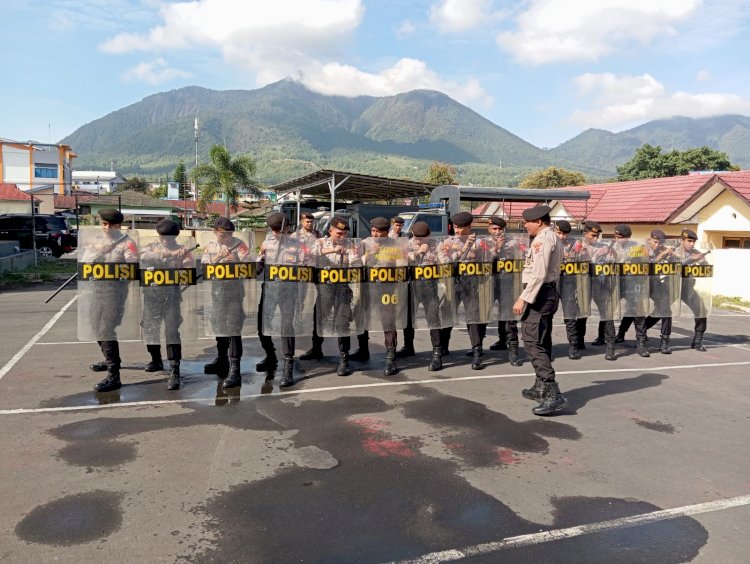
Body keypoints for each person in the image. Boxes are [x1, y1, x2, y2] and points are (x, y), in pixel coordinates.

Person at [513, 205, 565, 416]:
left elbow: (539, 273)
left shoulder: (543, 240)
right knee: (542, 339)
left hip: (540, 294)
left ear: (539, 222)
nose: (526, 226)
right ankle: (540, 386)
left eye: (528, 222)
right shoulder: (552, 236)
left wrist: (522, 298)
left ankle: (553, 392)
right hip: (548, 293)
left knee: (533, 342)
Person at [81, 208, 139, 393]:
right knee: (95, 325)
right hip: (97, 289)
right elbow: (85, 263)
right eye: (103, 224)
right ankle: (109, 359)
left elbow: (133, 268)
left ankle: (114, 374)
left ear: (118, 225)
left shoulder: (127, 243)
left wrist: (116, 265)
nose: (106, 228)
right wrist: (97, 252)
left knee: (107, 329)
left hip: (115, 292)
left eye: (110, 224)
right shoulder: (97, 241)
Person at [139, 218, 196, 390]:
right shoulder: (151, 247)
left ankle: (174, 368)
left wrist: (183, 263)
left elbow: (189, 271)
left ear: (175, 237)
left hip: (171, 297)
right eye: (164, 238)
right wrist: (166, 255)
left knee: (172, 332)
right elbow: (141, 256)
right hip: (151, 296)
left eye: (170, 238)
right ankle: (155, 359)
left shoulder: (183, 250)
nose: (166, 241)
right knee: (150, 329)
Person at [259, 212, 315, 387]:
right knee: (261, 325)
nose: (276, 233)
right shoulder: (266, 244)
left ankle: (288, 365)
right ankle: (271, 356)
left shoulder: (299, 246)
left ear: (288, 229)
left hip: (289, 291)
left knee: (286, 326)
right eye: (273, 230)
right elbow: (258, 266)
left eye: (279, 230)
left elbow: (308, 268)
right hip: (269, 290)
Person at [202, 216, 252, 389]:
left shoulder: (240, 245)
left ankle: (235, 369)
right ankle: (221, 359)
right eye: (223, 235)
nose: (227, 237)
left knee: (233, 328)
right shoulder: (210, 246)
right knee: (219, 325)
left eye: (230, 234)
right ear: (216, 233)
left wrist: (235, 258)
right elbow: (205, 268)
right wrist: (218, 257)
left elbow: (249, 266)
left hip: (234, 292)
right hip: (217, 292)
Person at [440, 211, 492, 370]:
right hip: (453, 282)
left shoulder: (480, 243)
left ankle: (477, 351)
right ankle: (442, 346)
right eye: (455, 227)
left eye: (460, 228)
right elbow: (444, 261)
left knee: (473, 317)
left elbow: (488, 261)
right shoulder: (448, 242)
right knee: (447, 313)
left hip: (471, 283)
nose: (457, 231)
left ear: (469, 226)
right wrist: (463, 250)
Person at [312, 216, 362, 376]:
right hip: (325, 288)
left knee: (343, 322)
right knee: (320, 318)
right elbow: (310, 256)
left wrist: (354, 256)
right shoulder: (320, 243)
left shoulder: (350, 245)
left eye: (345, 234)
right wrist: (332, 250)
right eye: (339, 233)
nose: (342, 237)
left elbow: (356, 264)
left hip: (342, 288)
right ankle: (316, 349)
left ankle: (344, 359)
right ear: (330, 231)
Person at [362, 217, 409, 376]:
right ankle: (363, 350)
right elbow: (356, 262)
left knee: (389, 322)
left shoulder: (395, 245)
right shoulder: (366, 243)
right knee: (362, 319)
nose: (374, 234)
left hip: (387, 289)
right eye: (373, 231)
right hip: (368, 288)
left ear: (386, 233)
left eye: (378, 232)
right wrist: (370, 254)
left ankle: (390, 357)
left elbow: (402, 267)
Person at [407, 221, 452, 371]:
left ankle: (437, 353)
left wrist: (447, 253)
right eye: (416, 237)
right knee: (408, 318)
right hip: (412, 286)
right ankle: (408, 346)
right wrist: (419, 251)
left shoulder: (436, 245)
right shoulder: (407, 244)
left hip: (429, 287)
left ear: (429, 235)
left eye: (422, 238)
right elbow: (402, 259)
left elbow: (445, 262)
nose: (418, 241)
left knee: (433, 318)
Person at [488, 216, 524, 366]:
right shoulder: (483, 242)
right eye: (494, 229)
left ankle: (513, 349)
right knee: (483, 314)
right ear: (488, 229)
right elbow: (481, 260)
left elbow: (521, 258)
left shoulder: (513, 242)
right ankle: (477, 347)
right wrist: (495, 248)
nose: (497, 232)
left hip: (508, 282)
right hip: (489, 283)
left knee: (508, 317)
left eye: (500, 229)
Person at [611, 224, 651, 358]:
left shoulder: (637, 248)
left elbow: (646, 263)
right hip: (616, 284)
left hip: (632, 283)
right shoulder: (610, 247)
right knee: (609, 312)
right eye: (617, 237)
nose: (619, 240)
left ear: (628, 238)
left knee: (638, 313)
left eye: (622, 237)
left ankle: (641, 343)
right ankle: (610, 342)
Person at [554, 219, 590, 360]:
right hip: (551, 282)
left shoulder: (576, 244)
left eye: (565, 234)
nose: (562, 237)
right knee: (546, 316)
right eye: (559, 233)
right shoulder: (547, 241)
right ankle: (545, 347)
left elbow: (585, 262)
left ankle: (574, 346)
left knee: (570, 316)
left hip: (569, 283)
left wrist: (570, 258)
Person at [644, 229, 681, 354]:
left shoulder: (663, 250)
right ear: (650, 240)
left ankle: (663, 340)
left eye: (659, 243)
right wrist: (662, 255)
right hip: (645, 284)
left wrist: (673, 257)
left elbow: (675, 266)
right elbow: (648, 264)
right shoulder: (643, 249)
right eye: (654, 242)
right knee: (662, 310)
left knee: (663, 310)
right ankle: (640, 330)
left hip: (661, 286)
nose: (657, 245)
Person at [587, 223, 620, 361]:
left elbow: (612, 263)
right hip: (582, 283)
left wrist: (610, 256)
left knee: (607, 314)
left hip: (600, 284)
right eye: (593, 235)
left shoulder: (603, 247)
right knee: (579, 315)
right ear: (585, 234)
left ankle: (610, 345)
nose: (595, 238)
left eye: (597, 235)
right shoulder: (579, 246)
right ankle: (576, 343)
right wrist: (595, 258)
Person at [676, 228, 711, 351]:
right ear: (682, 240)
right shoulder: (673, 252)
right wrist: (691, 260)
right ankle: (639, 335)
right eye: (689, 241)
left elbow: (706, 269)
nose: (692, 244)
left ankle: (697, 341)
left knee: (702, 310)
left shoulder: (695, 252)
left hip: (687, 287)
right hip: (673, 286)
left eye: (693, 242)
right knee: (660, 312)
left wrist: (702, 261)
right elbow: (674, 267)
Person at [297, 212, 325, 360]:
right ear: (302, 222)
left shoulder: (318, 233)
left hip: (317, 268)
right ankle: (299, 316)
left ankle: (317, 347)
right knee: (300, 296)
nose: (310, 224)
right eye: (307, 221)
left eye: (311, 221)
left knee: (320, 299)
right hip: (303, 269)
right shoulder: (297, 236)